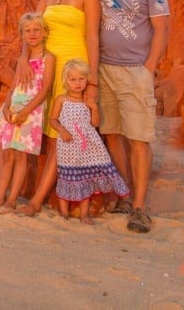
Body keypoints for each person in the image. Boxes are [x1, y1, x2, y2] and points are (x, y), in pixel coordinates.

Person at [89, 0, 170, 233]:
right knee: (112, 135)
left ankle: (139, 207)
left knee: (138, 138)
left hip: (136, 71)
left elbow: (162, 28)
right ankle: (124, 194)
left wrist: (148, 67)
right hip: (104, 69)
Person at [15, 0, 101, 217]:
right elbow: (34, 28)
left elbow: (92, 38)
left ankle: (37, 201)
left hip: (72, 70)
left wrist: (92, 83)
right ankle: (14, 190)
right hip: (46, 68)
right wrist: (24, 59)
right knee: (34, 126)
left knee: (56, 137)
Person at [0, 12, 55, 211]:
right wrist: (6, 106)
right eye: (27, 31)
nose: (32, 34)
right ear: (21, 35)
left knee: (22, 156)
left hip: (31, 112)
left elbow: (45, 88)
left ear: (44, 33)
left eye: (36, 30)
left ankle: (11, 199)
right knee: (7, 153)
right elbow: (14, 85)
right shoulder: (23, 59)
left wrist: (27, 111)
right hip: (13, 107)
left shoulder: (49, 59)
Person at [49, 58, 129, 224]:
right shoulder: (61, 100)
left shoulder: (88, 101)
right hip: (68, 146)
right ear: (66, 81)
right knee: (67, 176)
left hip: (87, 147)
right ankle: (64, 214)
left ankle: (85, 214)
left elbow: (95, 123)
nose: (77, 83)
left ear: (86, 79)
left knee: (85, 178)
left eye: (81, 79)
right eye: (73, 79)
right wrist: (62, 130)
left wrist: (93, 107)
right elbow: (53, 120)